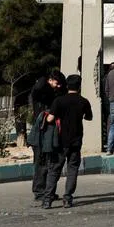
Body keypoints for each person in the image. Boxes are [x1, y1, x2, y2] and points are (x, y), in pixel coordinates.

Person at [42, 74, 93, 208]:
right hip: (76, 141)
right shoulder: (84, 101)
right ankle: (68, 198)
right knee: (72, 170)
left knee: (54, 170)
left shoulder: (59, 101)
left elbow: (50, 119)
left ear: (67, 85)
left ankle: (47, 200)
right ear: (79, 86)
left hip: (59, 141)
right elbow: (89, 117)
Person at [28, 69, 65, 203]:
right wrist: (45, 78)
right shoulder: (40, 93)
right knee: (40, 164)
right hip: (40, 135)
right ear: (49, 80)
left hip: (47, 135)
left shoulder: (52, 95)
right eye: (56, 83)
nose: (58, 86)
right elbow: (38, 87)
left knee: (48, 163)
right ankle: (39, 192)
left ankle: (47, 191)